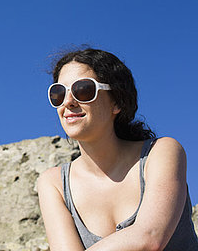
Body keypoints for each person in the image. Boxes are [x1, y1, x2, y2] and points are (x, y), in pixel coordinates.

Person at [37, 48, 198, 251]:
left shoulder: (160, 153)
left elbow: (150, 238)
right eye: (58, 93)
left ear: (117, 102)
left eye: (83, 90)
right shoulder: (53, 184)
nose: (68, 102)